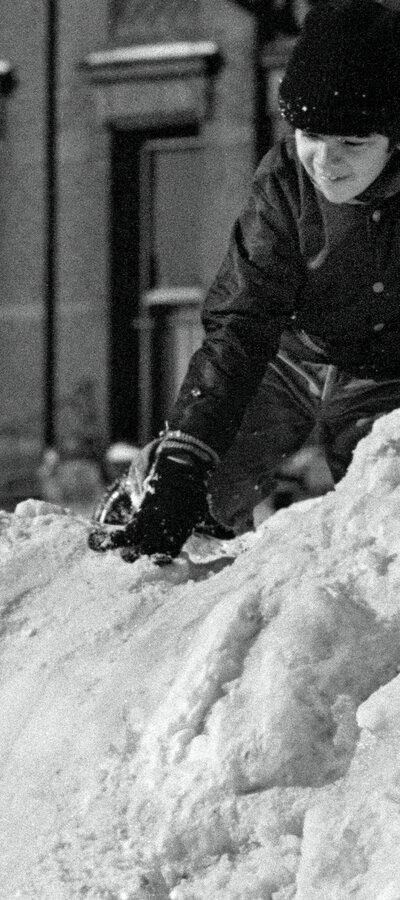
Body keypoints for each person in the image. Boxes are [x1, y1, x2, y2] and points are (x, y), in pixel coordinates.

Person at [91, 0, 400, 562]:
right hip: (289, 357)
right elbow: (241, 319)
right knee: (186, 486)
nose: (325, 161)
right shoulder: (285, 183)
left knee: (381, 513)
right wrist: (184, 459)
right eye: (311, 134)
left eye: (352, 143)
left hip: (389, 378)